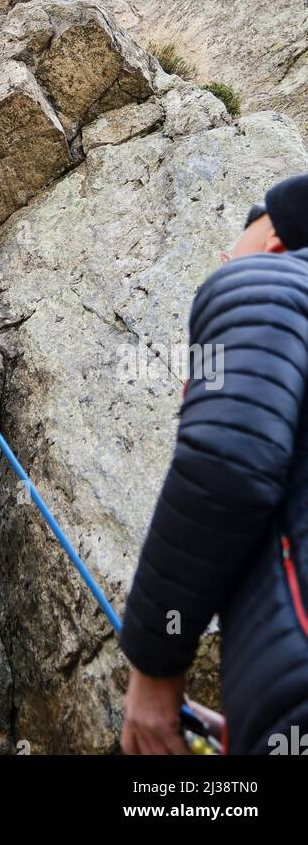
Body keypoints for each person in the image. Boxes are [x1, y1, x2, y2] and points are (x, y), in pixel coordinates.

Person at [120, 172, 308, 755]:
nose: (225, 261)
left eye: (232, 248)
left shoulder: (275, 279)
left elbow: (229, 462)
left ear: (273, 236)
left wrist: (154, 670)